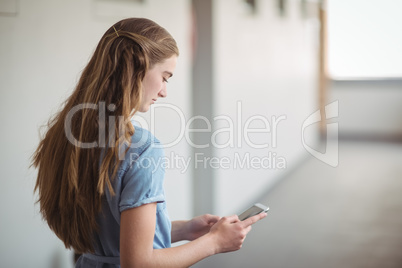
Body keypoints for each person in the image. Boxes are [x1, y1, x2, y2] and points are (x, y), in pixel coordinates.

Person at [32, 17, 267, 267]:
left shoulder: (64, 135)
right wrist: (215, 243)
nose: (165, 91)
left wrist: (183, 230)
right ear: (137, 66)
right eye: (165, 76)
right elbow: (139, 262)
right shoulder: (142, 148)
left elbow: (115, 235)